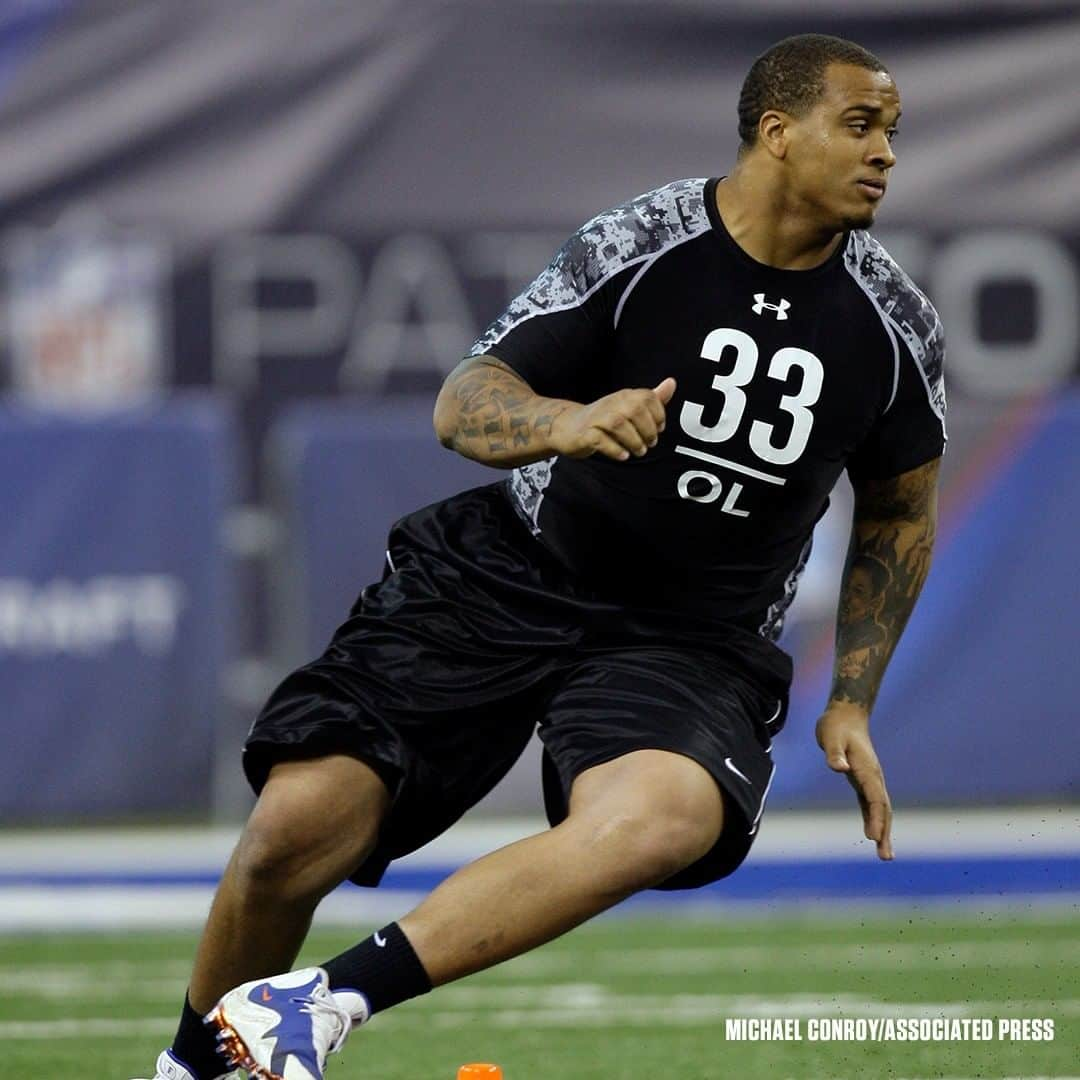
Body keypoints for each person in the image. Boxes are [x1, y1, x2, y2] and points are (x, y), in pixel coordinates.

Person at [139, 32, 945, 1080]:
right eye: (860, 124)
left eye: (893, 131)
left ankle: (328, 1001)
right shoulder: (640, 241)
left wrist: (851, 700)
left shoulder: (895, 325)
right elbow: (463, 402)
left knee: (660, 820)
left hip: (689, 641)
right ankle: (195, 1071)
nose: (886, 153)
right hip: (511, 572)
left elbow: (899, 514)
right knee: (296, 828)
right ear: (776, 134)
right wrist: (562, 422)